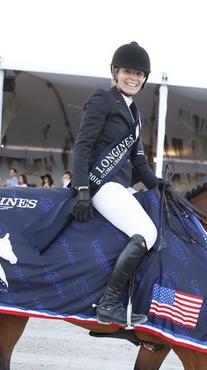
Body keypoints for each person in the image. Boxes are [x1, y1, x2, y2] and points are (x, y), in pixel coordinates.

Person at [71, 41, 161, 326]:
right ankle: (109, 305)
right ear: (115, 72)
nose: (133, 77)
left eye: (139, 73)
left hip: (122, 187)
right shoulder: (102, 99)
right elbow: (82, 146)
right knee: (147, 231)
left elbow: (138, 163)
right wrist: (82, 188)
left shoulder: (135, 114)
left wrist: (159, 185)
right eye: (128, 71)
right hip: (101, 185)